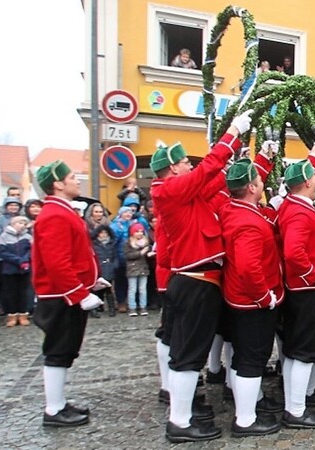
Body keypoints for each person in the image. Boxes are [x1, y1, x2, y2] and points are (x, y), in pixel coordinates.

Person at [151, 109, 253, 442]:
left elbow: (216, 181)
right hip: (194, 281)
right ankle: (179, 422)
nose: (190, 166)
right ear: (172, 169)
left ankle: (182, 416)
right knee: (188, 355)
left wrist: (244, 157)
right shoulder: (169, 191)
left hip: (199, 281)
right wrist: (231, 133)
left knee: (189, 353)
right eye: (184, 163)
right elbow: (207, 170)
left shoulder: (184, 193)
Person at [31, 160, 107, 427]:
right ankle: (53, 409)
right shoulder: (54, 214)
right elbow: (56, 262)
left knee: (65, 350)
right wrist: (78, 293)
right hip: (60, 296)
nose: (77, 180)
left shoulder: (61, 212)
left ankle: (59, 403)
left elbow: (75, 256)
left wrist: (91, 281)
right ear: (58, 184)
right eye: (72, 177)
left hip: (66, 294)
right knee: (58, 350)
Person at [219, 159, 284, 437]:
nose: (262, 182)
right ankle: (245, 420)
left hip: (238, 297)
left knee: (244, 356)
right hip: (252, 301)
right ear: (251, 187)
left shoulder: (233, 209)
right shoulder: (248, 221)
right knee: (252, 359)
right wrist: (264, 296)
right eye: (258, 179)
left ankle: (252, 400)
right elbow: (248, 266)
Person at [277, 158, 315, 430]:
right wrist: (314, 274)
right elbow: (292, 251)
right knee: (303, 353)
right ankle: (296, 410)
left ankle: (293, 405)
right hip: (307, 290)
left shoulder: (293, 205)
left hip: (301, 290)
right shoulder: (299, 211)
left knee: (295, 351)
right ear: (308, 181)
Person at [0, 216, 32, 326]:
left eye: (24, 223)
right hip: (10, 268)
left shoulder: (27, 236)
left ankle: (23, 314)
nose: (22, 225)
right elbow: (2, 252)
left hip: (24, 268)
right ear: (13, 224)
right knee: (10, 292)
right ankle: (12, 315)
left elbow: (31, 250)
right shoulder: (4, 236)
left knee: (23, 292)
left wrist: (25, 259)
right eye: (20, 222)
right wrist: (18, 260)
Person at [124, 223, 151, 316]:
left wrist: (149, 253)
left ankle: (143, 306)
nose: (139, 233)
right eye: (137, 232)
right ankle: (132, 307)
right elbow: (128, 255)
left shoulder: (146, 242)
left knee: (143, 289)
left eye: (141, 231)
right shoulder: (128, 243)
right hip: (132, 269)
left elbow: (149, 251)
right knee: (132, 289)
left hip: (143, 268)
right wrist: (140, 253)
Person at [91, 225, 117, 317]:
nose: (103, 235)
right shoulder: (93, 244)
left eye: (105, 233)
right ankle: (94, 310)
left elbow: (115, 256)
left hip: (108, 268)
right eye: (101, 233)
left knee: (108, 289)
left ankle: (112, 309)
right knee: (94, 290)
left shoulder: (111, 243)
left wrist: (114, 266)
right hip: (98, 268)